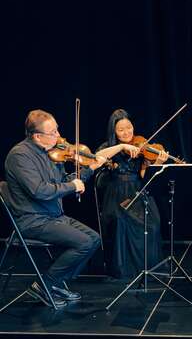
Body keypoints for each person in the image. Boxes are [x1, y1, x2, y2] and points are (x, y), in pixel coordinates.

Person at [4, 109, 105, 308]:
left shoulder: (50, 154)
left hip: (53, 215)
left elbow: (63, 182)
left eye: (57, 130)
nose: (59, 136)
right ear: (37, 136)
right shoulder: (19, 156)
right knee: (83, 242)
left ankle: (54, 283)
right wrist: (72, 186)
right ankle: (45, 284)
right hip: (32, 220)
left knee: (94, 239)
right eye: (53, 132)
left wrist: (88, 170)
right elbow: (39, 191)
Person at [95, 109, 168, 280]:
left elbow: (144, 175)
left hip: (138, 190)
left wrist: (156, 162)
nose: (127, 132)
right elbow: (95, 158)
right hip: (116, 193)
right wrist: (121, 146)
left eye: (129, 127)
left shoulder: (141, 145)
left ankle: (148, 268)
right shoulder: (108, 147)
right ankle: (125, 270)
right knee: (121, 222)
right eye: (121, 130)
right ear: (113, 131)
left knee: (153, 224)